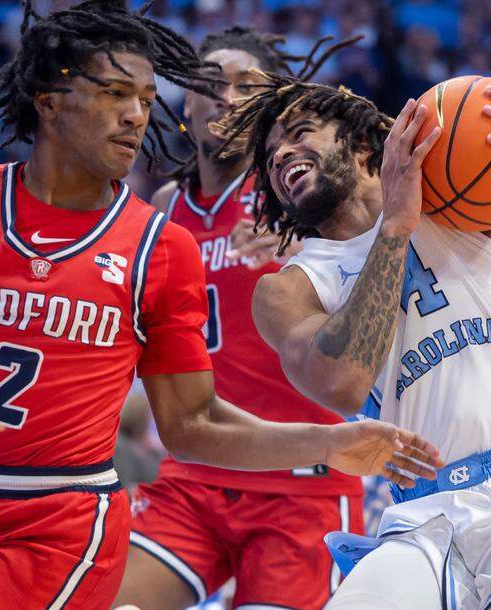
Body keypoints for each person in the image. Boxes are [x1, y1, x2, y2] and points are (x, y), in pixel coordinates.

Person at [0, 3, 442, 609]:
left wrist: (313, 235)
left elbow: (380, 214)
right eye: (115, 93)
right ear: (49, 99)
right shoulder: (154, 209)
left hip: (252, 491)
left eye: (144, 98)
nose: (136, 114)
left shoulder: (291, 200)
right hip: (66, 493)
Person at [220, 56, 491, 609]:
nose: (282, 155)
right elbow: (342, 382)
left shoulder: (479, 211)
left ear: (365, 144)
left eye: (299, 135)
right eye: (270, 158)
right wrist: (395, 225)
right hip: (422, 511)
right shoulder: (290, 288)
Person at [114, 28, 365, 610]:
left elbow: (382, 287)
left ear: (269, 107)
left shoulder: (304, 193)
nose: (225, 95)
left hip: (302, 484)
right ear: (186, 102)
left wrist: (311, 258)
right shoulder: (165, 209)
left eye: (245, 84)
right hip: (196, 474)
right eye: (210, 83)